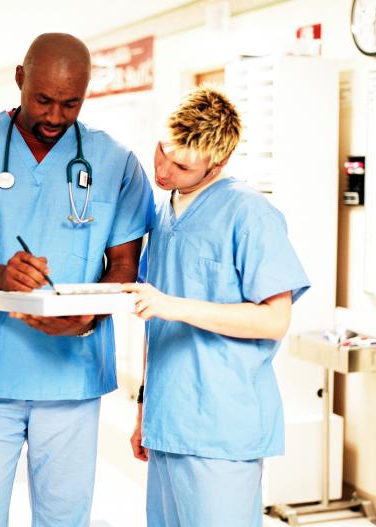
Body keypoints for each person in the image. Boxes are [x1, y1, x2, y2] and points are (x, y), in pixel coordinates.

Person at [0, 33, 153, 526]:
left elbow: (124, 265)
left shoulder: (115, 162)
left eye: (71, 103)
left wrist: (87, 317)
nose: (56, 116)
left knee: (64, 516)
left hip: (72, 375)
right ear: (20, 78)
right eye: (43, 99)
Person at [123, 85, 310, 527]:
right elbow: (156, 318)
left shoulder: (249, 214)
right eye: (162, 153)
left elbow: (275, 319)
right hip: (168, 418)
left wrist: (175, 306)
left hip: (221, 424)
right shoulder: (165, 212)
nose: (164, 170)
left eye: (182, 165)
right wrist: (144, 410)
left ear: (218, 163)